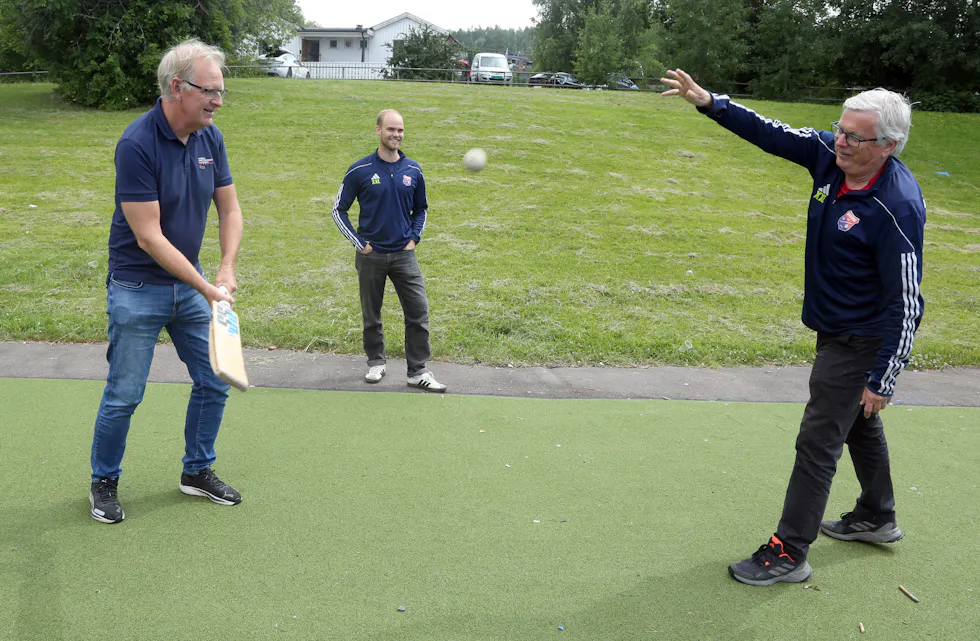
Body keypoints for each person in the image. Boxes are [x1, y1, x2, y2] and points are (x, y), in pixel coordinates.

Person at [660, 69, 925, 586]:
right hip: (834, 327)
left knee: (818, 439)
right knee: (856, 422)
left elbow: (907, 299)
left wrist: (883, 377)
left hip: (861, 338)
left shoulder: (896, 206)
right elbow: (774, 132)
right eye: (840, 129)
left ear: (888, 146)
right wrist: (711, 102)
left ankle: (788, 551)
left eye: (854, 136)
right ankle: (876, 516)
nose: (840, 141)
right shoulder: (830, 157)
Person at [89, 38, 245, 524]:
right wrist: (206, 286)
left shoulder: (209, 138)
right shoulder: (136, 144)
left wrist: (226, 267)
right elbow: (150, 237)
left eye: (221, 92)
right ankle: (104, 482)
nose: (218, 101)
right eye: (210, 92)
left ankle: (197, 471)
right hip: (137, 288)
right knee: (125, 394)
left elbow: (230, 208)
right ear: (178, 88)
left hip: (193, 284)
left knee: (215, 379)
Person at [332, 109, 447, 392]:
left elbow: (421, 209)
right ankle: (376, 363)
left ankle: (417, 371)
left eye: (400, 130)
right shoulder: (360, 170)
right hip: (371, 256)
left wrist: (414, 238)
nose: (396, 134)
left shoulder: (413, 170)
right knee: (372, 313)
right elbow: (339, 210)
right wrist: (361, 244)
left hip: (404, 255)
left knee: (418, 312)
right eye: (391, 129)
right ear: (378, 130)